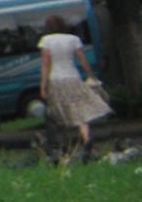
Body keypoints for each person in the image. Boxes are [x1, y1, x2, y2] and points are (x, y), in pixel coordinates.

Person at [39, 13, 109, 160]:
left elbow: (45, 65)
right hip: (73, 78)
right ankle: (87, 139)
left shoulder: (46, 40)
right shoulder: (73, 39)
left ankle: (67, 146)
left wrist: (43, 86)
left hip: (56, 80)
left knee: (61, 112)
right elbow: (83, 61)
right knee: (80, 111)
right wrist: (91, 76)